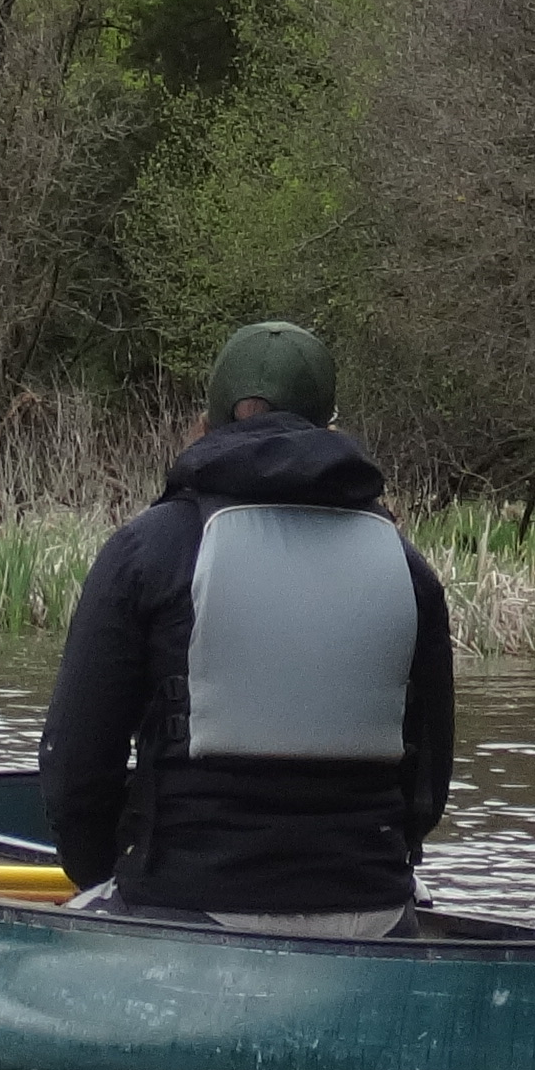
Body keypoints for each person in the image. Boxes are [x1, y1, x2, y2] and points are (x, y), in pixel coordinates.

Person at [41, 321, 454, 933]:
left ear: (206, 424)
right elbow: (426, 789)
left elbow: (76, 769)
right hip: (377, 913)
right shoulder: (408, 568)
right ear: (329, 428)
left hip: (188, 906)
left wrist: (108, 873)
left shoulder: (145, 551)